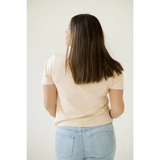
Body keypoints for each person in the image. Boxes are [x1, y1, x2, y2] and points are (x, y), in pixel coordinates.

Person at [42, 13, 124, 160]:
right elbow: (118, 110)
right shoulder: (112, 67)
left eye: (69, 28)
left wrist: (68, 117)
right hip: (102, 134)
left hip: (66, 135)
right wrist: (104, 116)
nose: (65, 32)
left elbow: (48, 104)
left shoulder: (54, 62)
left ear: (79, 34)